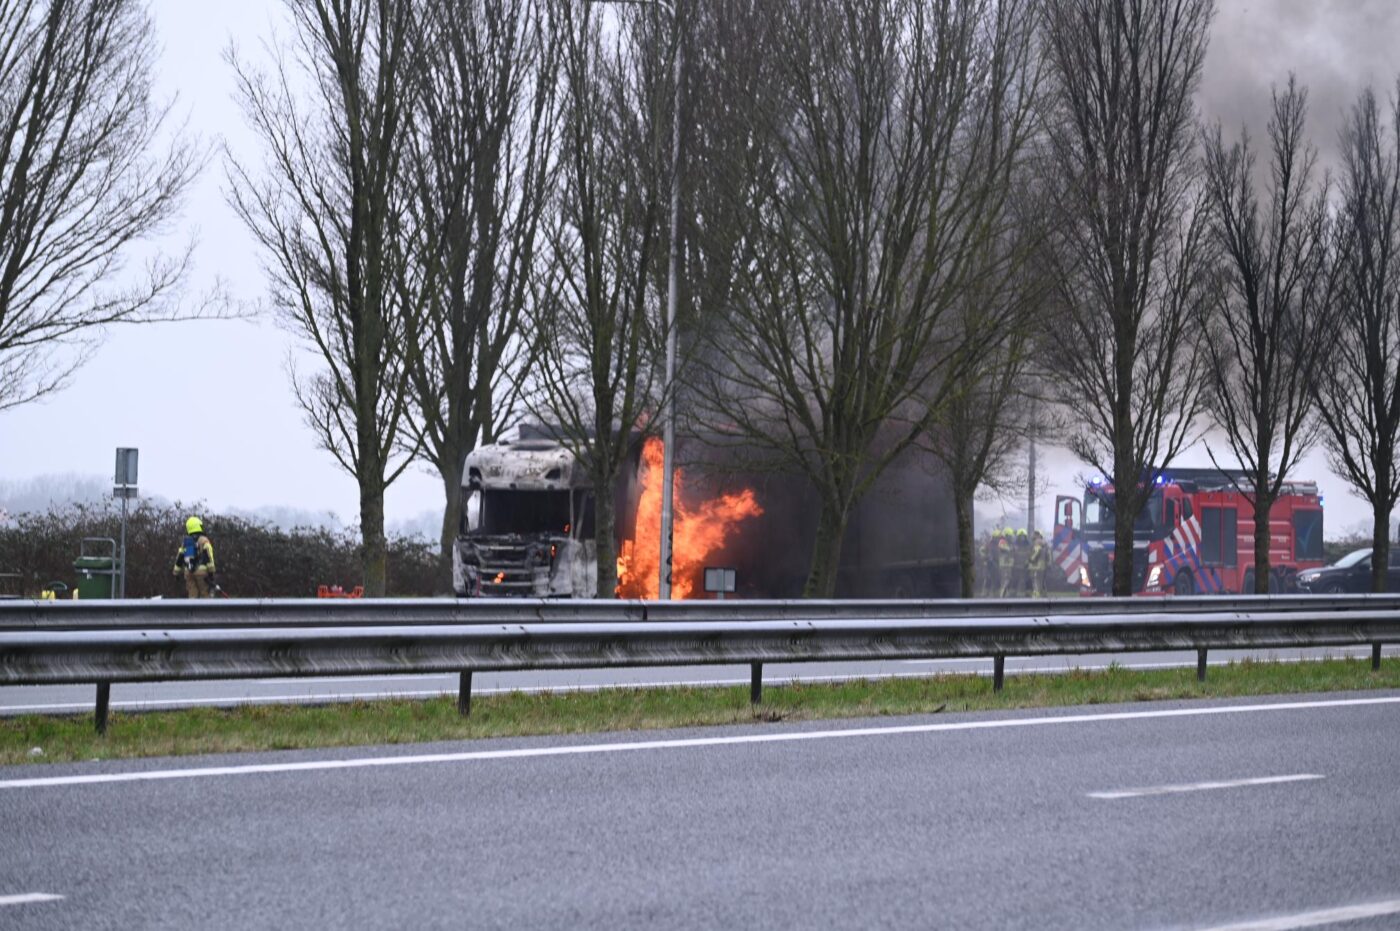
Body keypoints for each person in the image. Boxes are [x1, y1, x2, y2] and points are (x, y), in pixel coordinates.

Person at [173, 516, 217, 598]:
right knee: (205, 594)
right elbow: (209, 556)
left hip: (188, 572)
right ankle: (206, 607)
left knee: (192, 595)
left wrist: (176, 573)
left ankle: (192, 606)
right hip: (202, 572)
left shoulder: (186, 542)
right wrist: (211, 573)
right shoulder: (204, 540)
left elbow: (179, 558)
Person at [1027, 530, 1050, 597]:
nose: (1033, 535)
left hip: (1035, 565)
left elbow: (1036, 552)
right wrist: (1048, 563)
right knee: (1041, 581)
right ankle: (1043, 595)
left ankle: (1036, 595)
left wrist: (1031, 559)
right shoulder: (1045, 544)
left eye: (1035, 534)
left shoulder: (1037, 542)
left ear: (1038, 535)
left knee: (1035, 581)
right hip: (1042, 566)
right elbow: (1048, 555)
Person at [996, 529, 1016, 597]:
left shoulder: (1009, 542)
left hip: (1008, 564)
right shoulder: (1002, 541)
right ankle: (1002, 593)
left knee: (1007, 578)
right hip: (1004, 564)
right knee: (1005, 578)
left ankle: (1005, 592)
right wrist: (1010, 548)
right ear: (1007, 535)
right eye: (1010, 536)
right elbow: (1002, 547)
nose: (1011, 537)